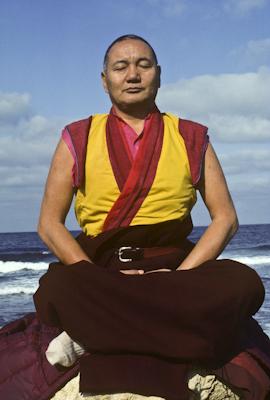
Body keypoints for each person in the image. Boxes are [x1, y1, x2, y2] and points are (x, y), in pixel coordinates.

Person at [33, 35, 270, 399]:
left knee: (245, 282)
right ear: (104, 79)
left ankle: (90, 333)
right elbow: (49, 224)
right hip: (101, 269)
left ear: (158, 76)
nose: (132, 75)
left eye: (143, 65)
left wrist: (178, 276)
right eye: (120, 67)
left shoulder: (191, 136)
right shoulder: (77, 136)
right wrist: (91, 274)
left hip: (173, 269)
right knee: (57, 288)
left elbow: (226, 219)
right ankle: (168, 329)